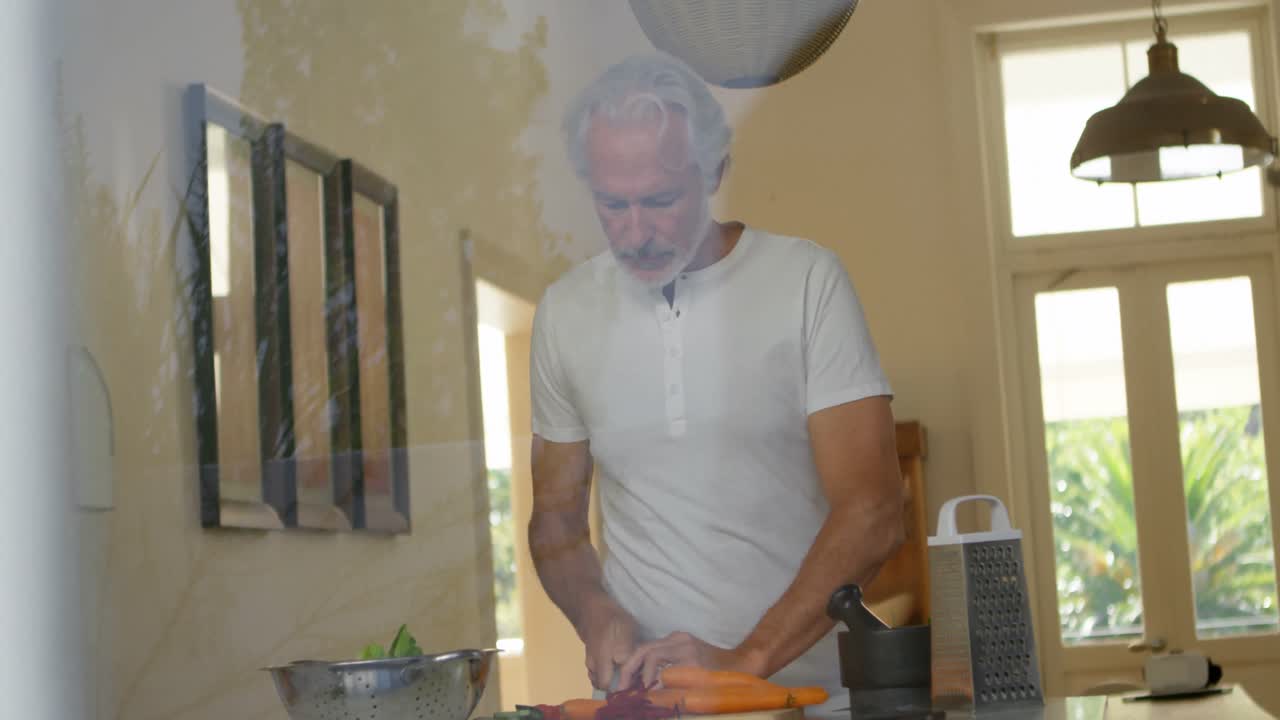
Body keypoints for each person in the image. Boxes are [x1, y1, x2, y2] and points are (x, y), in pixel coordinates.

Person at [527, 53, 905, 715]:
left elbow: (873, 511)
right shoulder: (565, 312)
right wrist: (594, 611)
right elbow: (556, 519)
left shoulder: (806, 282)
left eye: (661, 200)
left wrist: (746, 662)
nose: (636, 231)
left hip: (803, 700)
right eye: (613, 205)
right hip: (649, 706)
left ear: (715, 174)